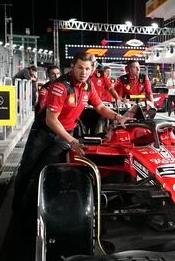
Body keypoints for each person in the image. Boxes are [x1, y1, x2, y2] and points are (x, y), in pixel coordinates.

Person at [12, 52, 131, 222]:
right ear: (73, 67)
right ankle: (18, 212)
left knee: (43, 171)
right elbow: (51, 120)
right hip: (44, 133)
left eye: (87, 69)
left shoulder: (89, 85)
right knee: (27, 170)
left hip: (64, 136)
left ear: (92, 69)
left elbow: (100, 107)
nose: (84, 72)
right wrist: (73, 141)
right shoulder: (61, 86)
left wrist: (119, 118)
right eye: (80, 68)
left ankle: (33, 214)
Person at [81, 65, 122, 134]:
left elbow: (110, 88)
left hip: (97, 107)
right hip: (82, 108)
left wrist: (117, 98)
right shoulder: (82, 73)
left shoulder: (101, 74)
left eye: (94, 63)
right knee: (82, 131)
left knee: (96, 131)